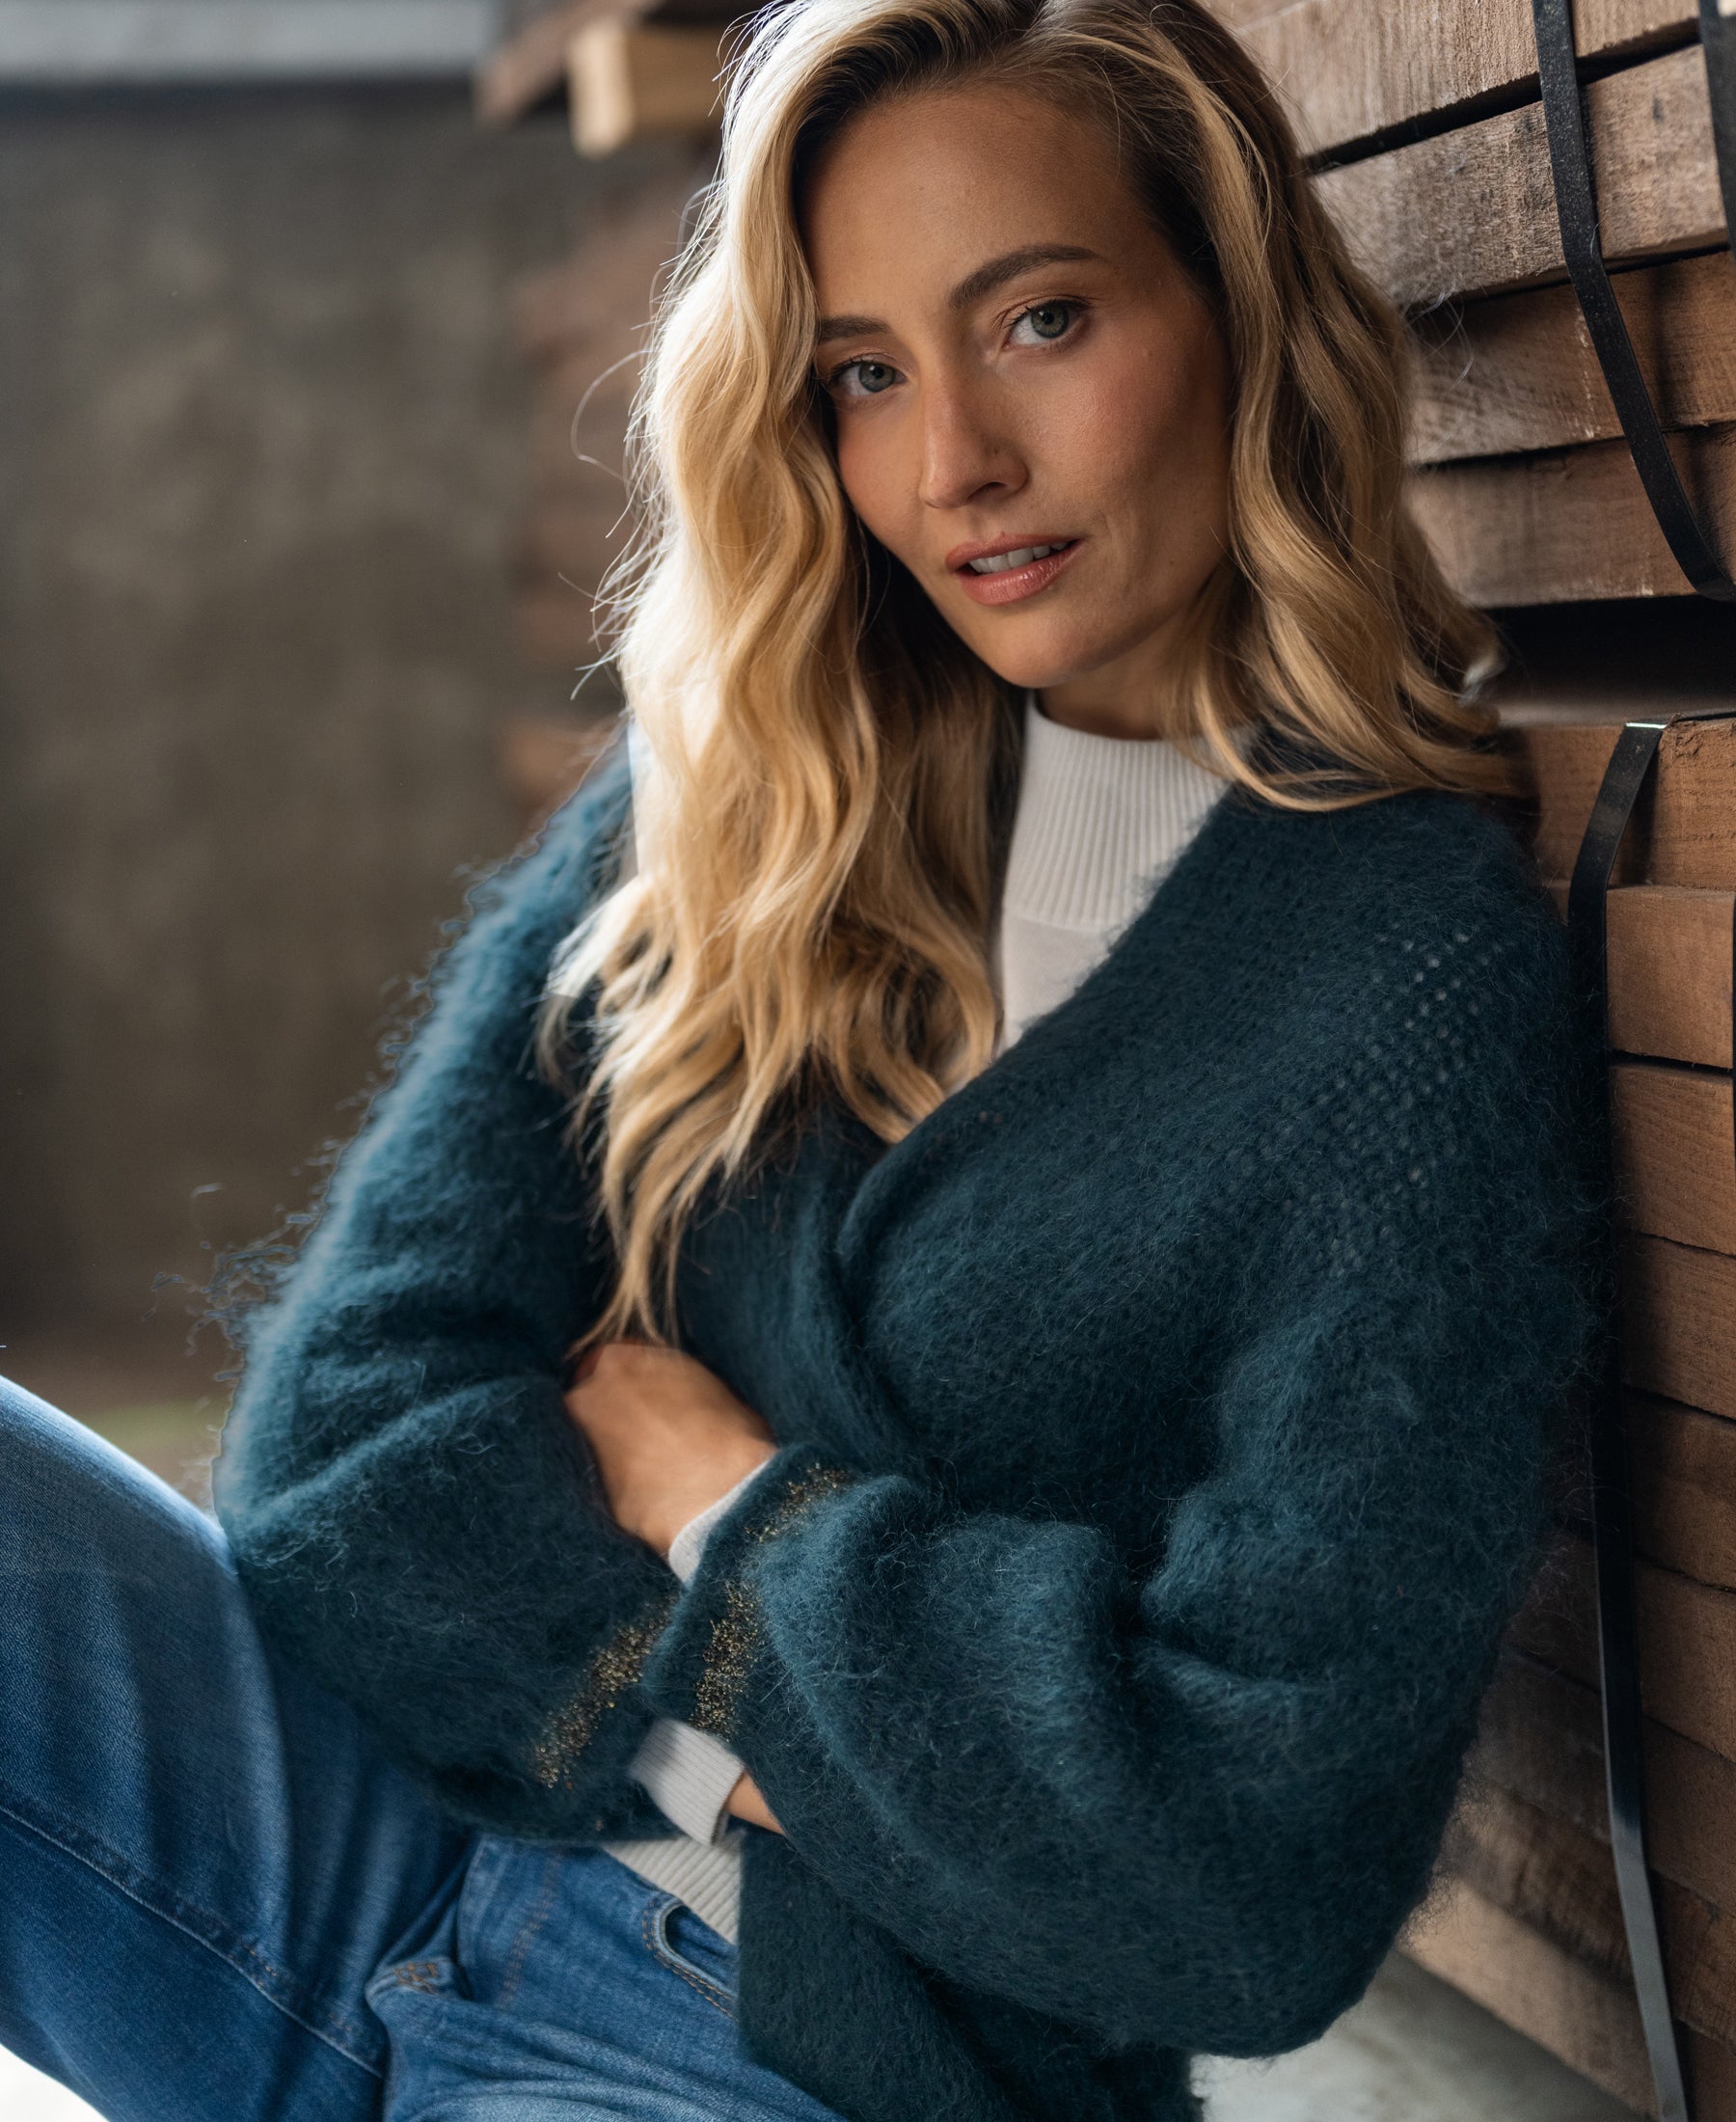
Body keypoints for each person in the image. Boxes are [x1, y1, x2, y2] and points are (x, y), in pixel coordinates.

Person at [0, 0, 1608, 2116]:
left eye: (1039, 321)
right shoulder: (744, 801)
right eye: (864, 371)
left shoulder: (1399, 986)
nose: (956, 464)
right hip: (368, 1844)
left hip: (820, 2064)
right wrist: (785, 1734)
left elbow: (1245, 1878)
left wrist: (727, 1504)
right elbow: (337, 1443)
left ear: (1236, 315)